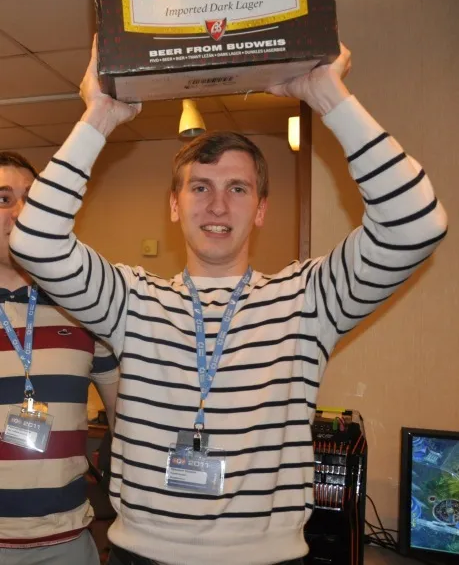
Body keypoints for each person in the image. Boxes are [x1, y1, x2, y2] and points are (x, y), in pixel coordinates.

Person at [9, 39, 447, 565]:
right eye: (200, 188)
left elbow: (415, 225)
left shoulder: (307, 299)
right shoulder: (131, 300)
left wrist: (328, 96)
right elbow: (34, 242)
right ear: (174, 205)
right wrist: (99, 115)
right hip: (140, 555)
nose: (217, 205)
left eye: (238, 189)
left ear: (261, 209)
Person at [0, 151, 119, 564]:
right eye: (3, 199)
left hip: (68, 541)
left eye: (31, 199)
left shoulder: (84, 308)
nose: (19, 212)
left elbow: (124, 420)